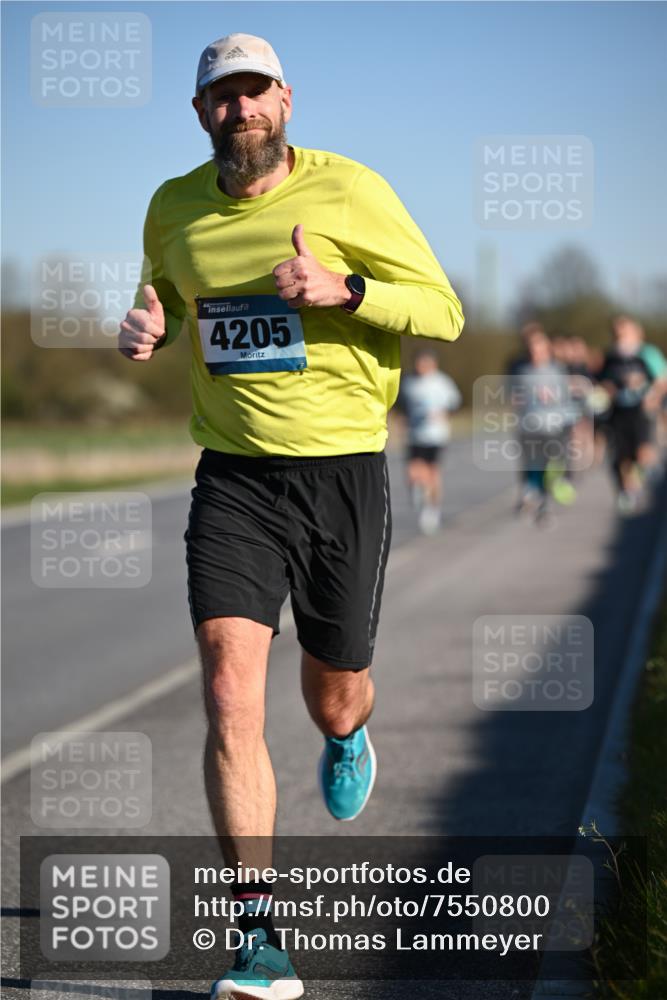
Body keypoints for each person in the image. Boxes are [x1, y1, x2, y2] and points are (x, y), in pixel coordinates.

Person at [118, 32, 463, 1000]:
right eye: (221, 96)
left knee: (333, 687)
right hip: (231, 477)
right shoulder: (173, 206)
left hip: (342, 473)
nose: (241, 110)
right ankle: (259, 935)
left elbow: (443, 311)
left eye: (255, 91)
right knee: (230, 693)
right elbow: (164, 303)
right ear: (199, 113)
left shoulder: (352, 191)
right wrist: (146, 327)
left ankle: (348, 733)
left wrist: (344, 289)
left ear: (286, 100)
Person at [598, 315, 666, 512]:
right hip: (618, 412)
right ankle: (628, 492)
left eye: (625, 332)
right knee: (622, 456)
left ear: (637, 333)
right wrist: (606, 391)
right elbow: (603, 382)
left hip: (641, 411)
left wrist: (651, 397)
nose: (621, 337)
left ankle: (642, 475)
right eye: (617, 333)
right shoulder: (611, 357)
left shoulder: (647, 353)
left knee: (643, 453)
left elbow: (662, 380)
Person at [509, 328, 576, 526]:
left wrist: (552, 397)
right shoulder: (521, 372)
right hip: (529, 426)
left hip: (554, 426)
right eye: (531, 349)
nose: (535, 352)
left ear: (547, 349)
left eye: (539, 348)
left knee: (552, 468)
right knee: (532, 467)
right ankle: (532, 496)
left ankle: (546, 505)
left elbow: (567, 398)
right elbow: (512, 396)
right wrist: (519, 399)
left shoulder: (558, 371)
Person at [398, 349, 461, 533]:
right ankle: (418, 491)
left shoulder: (442, 382)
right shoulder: (408, 382)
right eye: (419, 363)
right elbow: (401, 404)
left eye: (425, 364)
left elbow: (454, 403)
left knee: (432, 474)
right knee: (413, 472)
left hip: (436, 435)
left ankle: (432, 510)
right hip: (414, 434)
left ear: (433, 364)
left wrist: (442, 414)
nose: (421, 367)